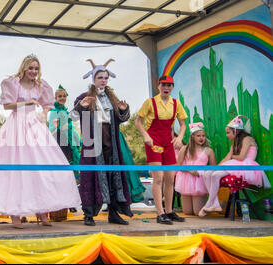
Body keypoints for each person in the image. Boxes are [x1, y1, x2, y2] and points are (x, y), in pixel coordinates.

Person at [0, 54, 81, 229]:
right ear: (24, 68)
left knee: (40, 167)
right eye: (31, 68)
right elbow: (7, 106)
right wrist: (26, 104)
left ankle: (42, 210)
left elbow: (47, 104)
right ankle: (15, 214)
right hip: (16, 125)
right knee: (15, 169)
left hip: (35, 126)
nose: (33, 71)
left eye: (36, 68)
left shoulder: (41, 85)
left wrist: (43, 113)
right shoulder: (13, 83)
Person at [71, 59, 133, 226]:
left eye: (106, 77)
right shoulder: (84, 97)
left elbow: (122, 119)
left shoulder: (112, 98)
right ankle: (89, 215)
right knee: (91, 177)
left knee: (114, 177)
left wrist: (122, 110)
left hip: (111, 142)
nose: (103, 80)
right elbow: (73, 117)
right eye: (100, 77)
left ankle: (113, 213)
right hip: (92, 143)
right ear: (93, 79)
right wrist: (81, 107)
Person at [135, 75, 187, 225]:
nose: (166, 88)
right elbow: (138, 121)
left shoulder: (176, 103)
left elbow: (182, 125)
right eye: (164, 85)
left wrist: (179, 138)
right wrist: (145, 136)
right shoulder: (150, 103)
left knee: (170, 177)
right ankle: (160, 213)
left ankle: (169, 211)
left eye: (169, 85)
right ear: (158, 86)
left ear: (172, 87)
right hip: (154, 142)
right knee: (158, 177)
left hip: (168, 142)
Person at [200, 115, 271, 217]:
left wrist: (231, 157)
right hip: (235, 164)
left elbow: (241, 157)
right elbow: (226, 158)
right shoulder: (235, 144)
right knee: (208, 173)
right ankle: (215, 204)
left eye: (228, 132)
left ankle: (210, 203)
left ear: (236, 131)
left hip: (246, 167)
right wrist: (216, 167)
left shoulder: (247, 139)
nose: (227, 135)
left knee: (216, 175)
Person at [48, 85, 82, 213]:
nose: (62, 98)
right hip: (58, 145)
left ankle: (70, 202)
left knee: (70, 175)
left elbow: (71, 129)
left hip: (68, 145)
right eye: (59, 96)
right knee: (59, 175)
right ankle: (59, 202)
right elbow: (50, 130)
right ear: (55, 98)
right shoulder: (53, 112)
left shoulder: (66, 112)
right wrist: (59, 128)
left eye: (64, 96)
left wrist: (77, 141)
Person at [175, 122, 216, 216]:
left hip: (200, 180)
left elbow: (214, 169)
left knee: (198, 212)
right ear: (192, 136)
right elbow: (178, 166)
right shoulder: (185, 149)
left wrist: (202, 172)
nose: (201, 138)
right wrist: (190, 170)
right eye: (198, 135)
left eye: (203, 136)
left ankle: (216, 206)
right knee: (187, 212)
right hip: (186, 180)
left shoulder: (209, 151)